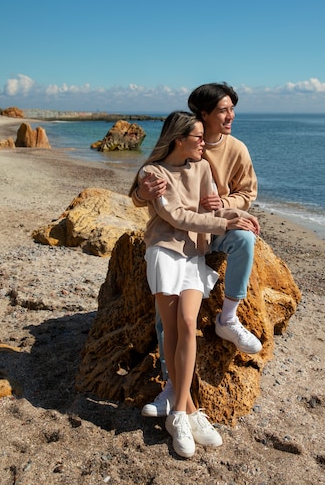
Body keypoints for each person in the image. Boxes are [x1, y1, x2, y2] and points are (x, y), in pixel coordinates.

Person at [130, 110, 259, 458]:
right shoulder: (153, 173)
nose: (204, 143)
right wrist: (223, 224)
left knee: (187, 324)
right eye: (198, 137)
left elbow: (209, 212)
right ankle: (186, 412)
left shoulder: (202, 168)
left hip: (193, 254)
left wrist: (236, 217)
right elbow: (175, 216)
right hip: (164, 252)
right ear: (179, 139)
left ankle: (181, 409)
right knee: (172, 329)